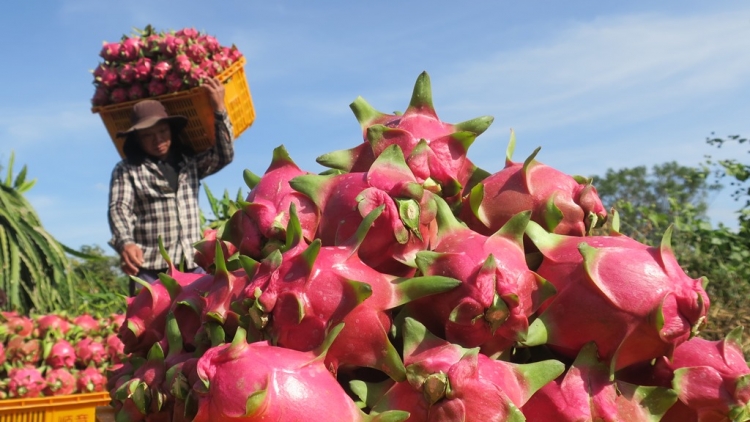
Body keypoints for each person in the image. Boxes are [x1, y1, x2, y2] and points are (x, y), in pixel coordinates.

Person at [108, 78, 234, 296]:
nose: (158, 140)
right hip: (149, 267)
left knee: (196, 326)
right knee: (149, 328)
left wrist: (219, 109)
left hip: (191, 263)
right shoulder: (127, 169)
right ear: (137, 139)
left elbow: (224, 155)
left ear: (171, 131)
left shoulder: (189, 164)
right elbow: (119, 208)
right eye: (147, 135)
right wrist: (125, 243)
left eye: (163, 131)